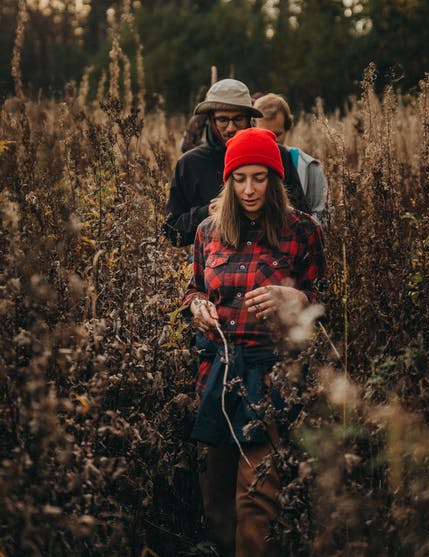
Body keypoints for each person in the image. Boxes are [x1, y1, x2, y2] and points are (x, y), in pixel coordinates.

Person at [183, 127, 326, 557]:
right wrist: (196, 306)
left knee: (256, 499)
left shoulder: (301, 231)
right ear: (227, 180)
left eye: (259, 178)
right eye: (240, 178)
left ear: (275, 179)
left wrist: (294, 297)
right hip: (216, 374)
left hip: (270, 377)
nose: (249, 189)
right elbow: (193, 288)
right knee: (216, 500)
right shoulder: (208, 231)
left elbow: (324, 299)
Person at [164, 79, 310, 246]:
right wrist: (207, 213)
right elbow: (172, 231)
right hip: (212, 266)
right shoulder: (190, 164)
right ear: (211, 120)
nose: (231, 128)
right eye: (223, 120)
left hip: (271, 261)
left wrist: (265, 207)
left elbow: (301, 216)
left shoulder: (277, 154)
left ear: (249, 119)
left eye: (238, 119)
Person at [253, 93, 328, 222]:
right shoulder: (246, 166)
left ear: (287, 128)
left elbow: (323, 214)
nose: (272, 141)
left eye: (277, 134)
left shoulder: (309, 166)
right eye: (264, 134)